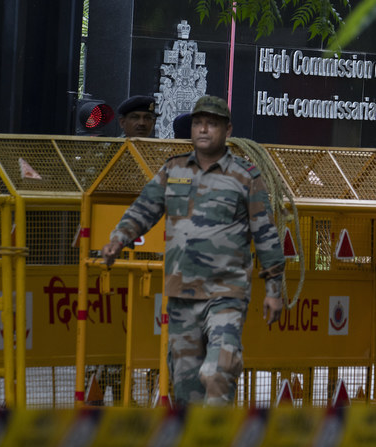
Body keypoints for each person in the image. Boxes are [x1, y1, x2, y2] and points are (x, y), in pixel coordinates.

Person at [102, 95, 285, 406]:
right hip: (182, 293)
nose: (203, 129)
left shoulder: (245, 175)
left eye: (211, 124)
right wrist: (118, 238)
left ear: (227, 130)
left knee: (218, 372)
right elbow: (144, 209)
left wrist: (274, 289)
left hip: (226, 293)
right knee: (185, 386)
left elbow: (265, 232)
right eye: (199, 123)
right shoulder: (173, 170)